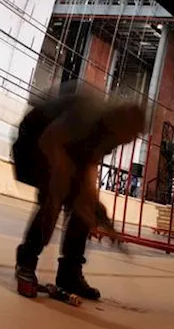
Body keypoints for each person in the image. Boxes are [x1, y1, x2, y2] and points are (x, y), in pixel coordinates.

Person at [12, 90, 147, 301]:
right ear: (119, 124)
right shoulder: (88, 115)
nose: (125, 143)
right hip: (35, 141)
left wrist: (101, 217)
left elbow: (89, 180)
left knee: (84, 210)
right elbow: (51, 141)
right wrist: (59, 189)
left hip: (66, 147)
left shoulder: (109, 136)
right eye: (126, 138)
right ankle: (26, 262)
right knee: (53, 198)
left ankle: (69, 274)